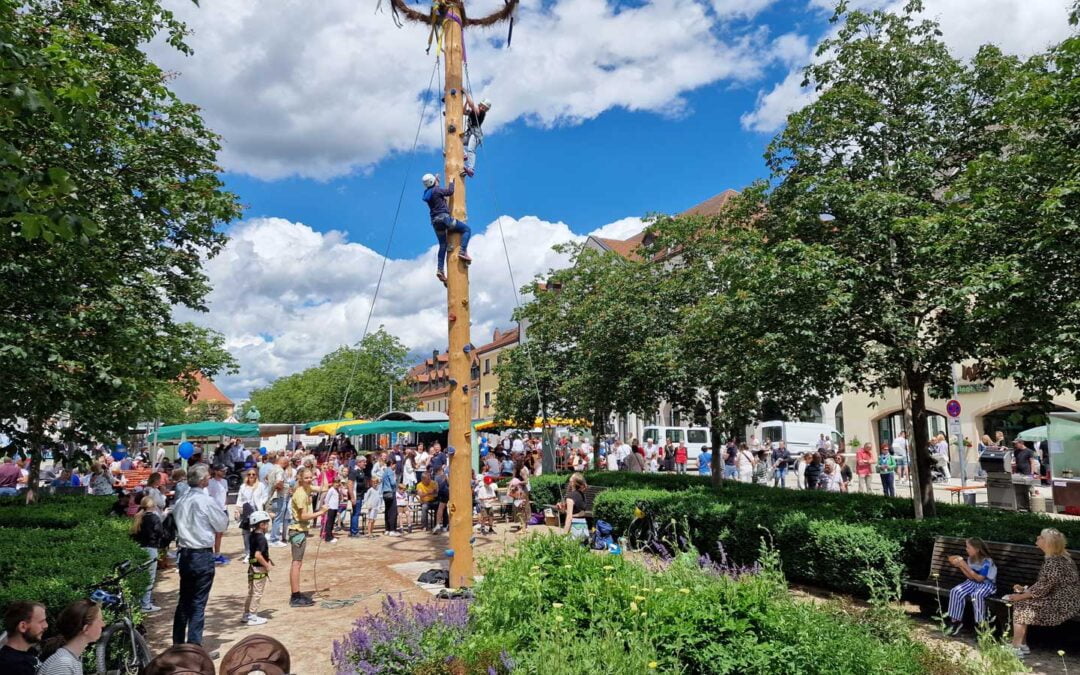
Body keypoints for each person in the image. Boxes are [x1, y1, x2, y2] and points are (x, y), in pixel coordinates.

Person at [172, 464, 229, 646]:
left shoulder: (181, 500)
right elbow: (221, 524)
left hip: (185, 554)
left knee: (184, 601)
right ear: (204, 480)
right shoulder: (205, 501)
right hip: (201, 554)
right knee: (197, 604)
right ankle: (194, 648)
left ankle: (178, 644)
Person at [1002, 528, 1080, 658]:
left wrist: (1019, 596)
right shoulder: (1060, 558)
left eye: (1041, 537)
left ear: (1048, 543)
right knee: (1022, 602)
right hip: (1062, 599)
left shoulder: (1054, 562)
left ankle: (1016, 648)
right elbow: (1045, 585)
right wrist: (1025, 591)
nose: (1037, 538)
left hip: (1063, 604)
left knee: (1021, 605)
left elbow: (1043, 587)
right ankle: (1022, 645)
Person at [288, 467, 329, 607]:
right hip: (297, 531)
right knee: (296, 563)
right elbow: (303, 516)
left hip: (301, 530)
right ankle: (295, 596)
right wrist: (321, 513)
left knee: (298, 563)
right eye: (306, 478)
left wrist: (323, 471)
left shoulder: (308, 488)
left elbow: (324, 488)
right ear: (300, 478)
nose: (309, 479)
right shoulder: (300, 493)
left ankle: (297, 593)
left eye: (311, 477)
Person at [421, 173, 472, 284]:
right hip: (444, 219)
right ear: (434, 182)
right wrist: (451, 181)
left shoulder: (427, 193)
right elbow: (449, 192)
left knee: (443, 245)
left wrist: (436, 182)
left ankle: (440, 269)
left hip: (435, 222)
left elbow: (434, 189)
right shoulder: (437, 190)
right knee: (466, 229)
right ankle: (462, 251)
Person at [944, 538, 997, 635]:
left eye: (968, 547)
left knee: (977, 595)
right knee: (955, 591)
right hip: (973, 582)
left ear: (977, 549)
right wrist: (961, 566)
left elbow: (980, 578)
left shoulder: (987, 561)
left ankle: (980, 626)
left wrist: (964, 565)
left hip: (986, 585)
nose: (966, 549)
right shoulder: (970, 559)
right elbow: (970, 576)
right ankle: (955, 622)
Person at [38, 599, 104, 675]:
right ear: (86, 629)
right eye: (100, 620)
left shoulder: (71, 659)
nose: (103, 624)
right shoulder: (63, 664)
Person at [131, 496, 164, 613]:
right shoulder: (154, 518)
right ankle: (145, 604)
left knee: (140, 575)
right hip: (150, 548)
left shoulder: (138, 517)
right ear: (153, 506)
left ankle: (139, 602)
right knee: (149, 577)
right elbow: (160, 533)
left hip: (139, 548)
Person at [242, 510, 273, 627]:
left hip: (251, 567)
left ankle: (246, 614)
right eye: (266, 523)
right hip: (259, 568)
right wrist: (267, 565)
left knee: (251, 592)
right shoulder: (261, 539)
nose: (268, 525)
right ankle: (253, 616)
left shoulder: (252, 535)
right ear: (262, 525)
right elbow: (258, 555)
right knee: (257, 593)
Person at [0, 601, 47, 675]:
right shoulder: (11, 665)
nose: (45, 626)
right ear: (23, 626)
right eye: (41, 622)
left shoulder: (31, 652)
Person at [237, 469, 268, 561]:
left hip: (257, 511)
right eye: (249, 474)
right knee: (246, 532)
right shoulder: (243, 486)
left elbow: (265, 496)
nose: (251, 476)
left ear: (256, 475)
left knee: (258, 533)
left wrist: (261, 503)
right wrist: (237, 508)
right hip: (246, 511)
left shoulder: (261, 485)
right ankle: (248, 552)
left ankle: (259, 552)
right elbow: (240, 498)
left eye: (253, 474)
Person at [461, 95, 490, 178]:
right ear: (480, 105)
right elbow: (463, 112)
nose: (482, 108)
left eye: (485, 108)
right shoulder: (474, 111)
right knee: (457, 142)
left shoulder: (481, 113)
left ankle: (471, 169)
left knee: (471, 149)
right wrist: (466, 101)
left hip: (476, 134)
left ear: (486, 110)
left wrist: (466, 93)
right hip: (470, 133)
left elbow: (471, 104)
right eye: (482, 106)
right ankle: (464, 154)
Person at [266, 454, 290, 548]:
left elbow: (266, 478)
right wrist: (283, 487)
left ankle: (273, 535)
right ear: (283, 462)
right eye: (287, 464)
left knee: (276, 517)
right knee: (278, 518)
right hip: (279, 496)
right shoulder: (280, 470)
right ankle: (274, 538)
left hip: (272, 495)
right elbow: (279, 482)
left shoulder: (272, 469)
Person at [207, 465, 229, 565]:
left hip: (223, 510)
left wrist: (225, 507)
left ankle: (217, 553)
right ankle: (210, 553)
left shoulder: (225, 482)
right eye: (221, 470)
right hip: (214, 510)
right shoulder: (210, 482)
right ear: (216, 471)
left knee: (220, 533)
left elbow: (226, 495)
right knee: (211, 533)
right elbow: (208, 496)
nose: (224, 472)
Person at [559, 473, 588, 541]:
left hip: (574, 528)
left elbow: (569, 517)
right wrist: (563, 509)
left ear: (572, 483)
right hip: (583, 528)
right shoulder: (582, 495)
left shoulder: (570, 497)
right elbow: (580, 511)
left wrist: (564, 535)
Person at [380, 457, 400, 537]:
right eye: (395, 464)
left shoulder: (385, 471)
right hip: (391, 492)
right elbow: (393, 483)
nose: (395, 466)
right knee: (393, 511)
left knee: (387, 511)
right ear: (392, 464)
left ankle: (387, 529)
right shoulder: (390, 471)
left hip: (385, 493)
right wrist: (396, 481)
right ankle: (392, 529)